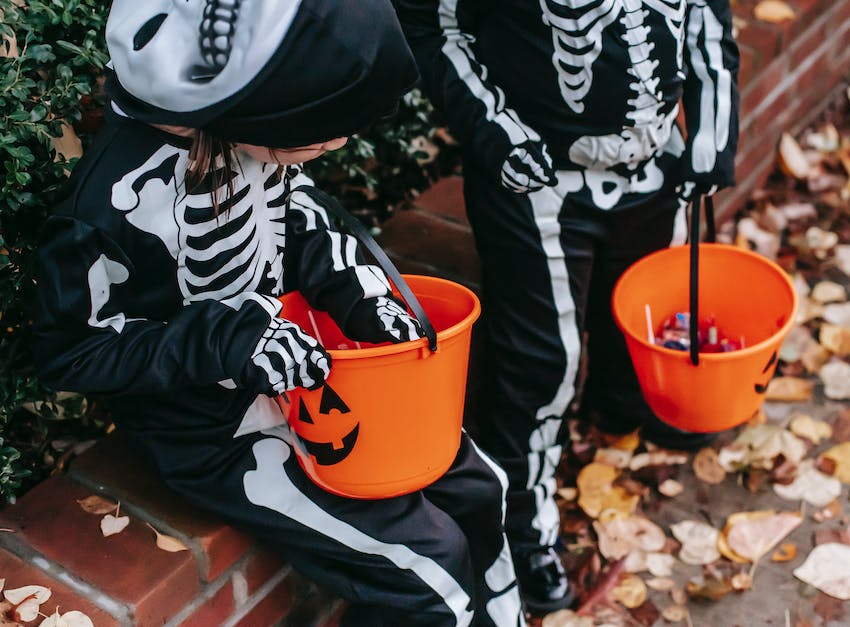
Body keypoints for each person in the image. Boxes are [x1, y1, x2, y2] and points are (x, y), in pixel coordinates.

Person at [32, 1, 525, 625]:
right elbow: (72, 352)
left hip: (312, 386)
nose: (338, 143)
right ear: (244, 106)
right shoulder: (110, 207)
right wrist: (226, 341)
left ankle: (504, 615)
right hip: (220, 437)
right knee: (429, 571)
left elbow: (306, 224)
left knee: (482, 485)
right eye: (318, 128)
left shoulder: (249, 142)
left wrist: (363, 296)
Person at [395, 0, 740, 613]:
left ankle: (624, 407)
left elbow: (709, 18)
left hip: (656, 164)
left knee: (640, 317)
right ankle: (522, 524)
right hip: (540, 177)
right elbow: (428, 22)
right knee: (542, 360)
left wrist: (712, 131)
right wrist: (495, 130)